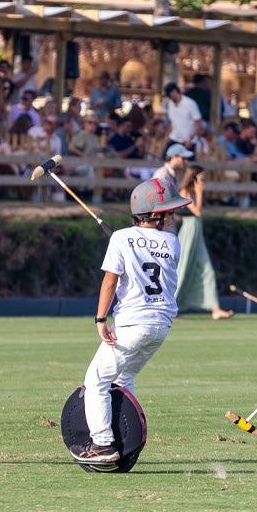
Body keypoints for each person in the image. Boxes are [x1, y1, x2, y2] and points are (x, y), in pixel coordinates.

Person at [76, 176, 188, 465]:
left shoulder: (121, 238)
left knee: (96, 380)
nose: (172, 217)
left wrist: (101, 318)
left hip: (133, 324)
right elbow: (145, 251)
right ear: (155, 215)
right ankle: (127, 438)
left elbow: (110, 281)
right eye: (169, 212)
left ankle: (102, 444)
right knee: (124, 378)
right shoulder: (172, 242)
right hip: (160, 326)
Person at [152, 147, 233, 320]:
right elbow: (196, 211)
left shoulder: (176, 178)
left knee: (206, 269)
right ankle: (170, 306)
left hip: (193, 231)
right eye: (201, 178)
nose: (185, 161)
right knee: (181, 268)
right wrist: (200, 192)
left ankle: (215, 308)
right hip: (187, 231)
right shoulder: (173, 182)